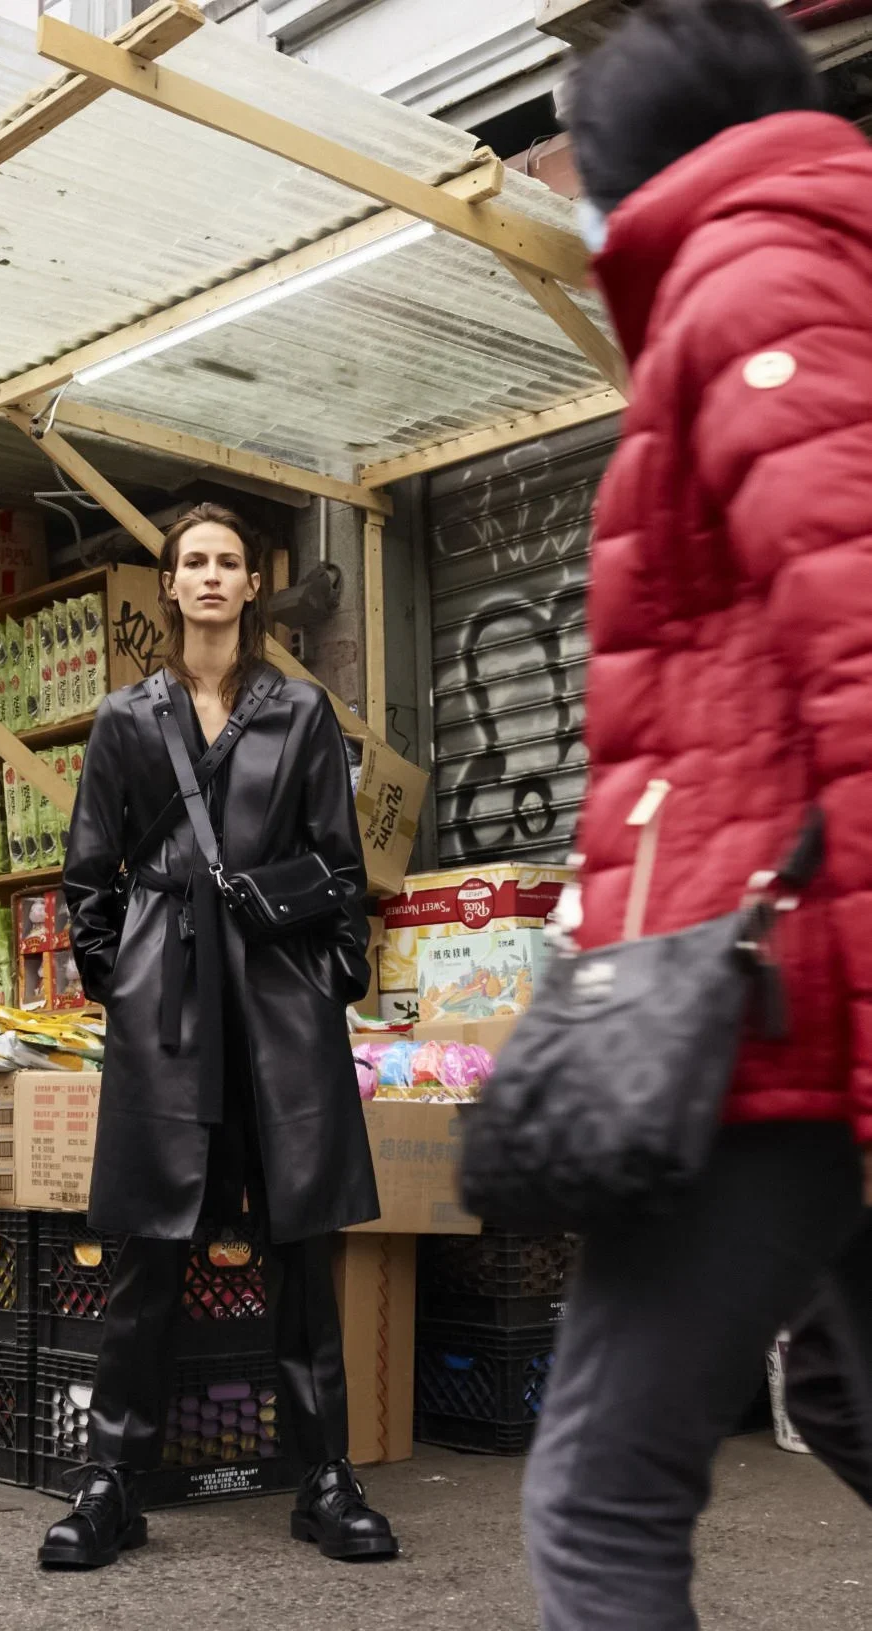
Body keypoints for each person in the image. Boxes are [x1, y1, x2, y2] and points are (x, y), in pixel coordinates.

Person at [523, 3, 872, 1625]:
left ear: (624, 171)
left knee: (600, 1503)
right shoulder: (813, 265)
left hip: (766, 1017)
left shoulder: (746, 286)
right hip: (790, 998)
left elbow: (860, 652)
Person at [38, 502, 398, 1570]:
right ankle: (109, 1481)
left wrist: (326, 977)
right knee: (144, 1249)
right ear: (169, 584)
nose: (207, 576)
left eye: (226, 562)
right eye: (190, 561)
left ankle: (324, 1475)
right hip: (169, 1010)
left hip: (280, 1006)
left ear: (252, 584)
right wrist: (124, 975)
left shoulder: (299, 712)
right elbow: (86, 875)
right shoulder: (123, 719)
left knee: (301, 1244)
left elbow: (341, 867)